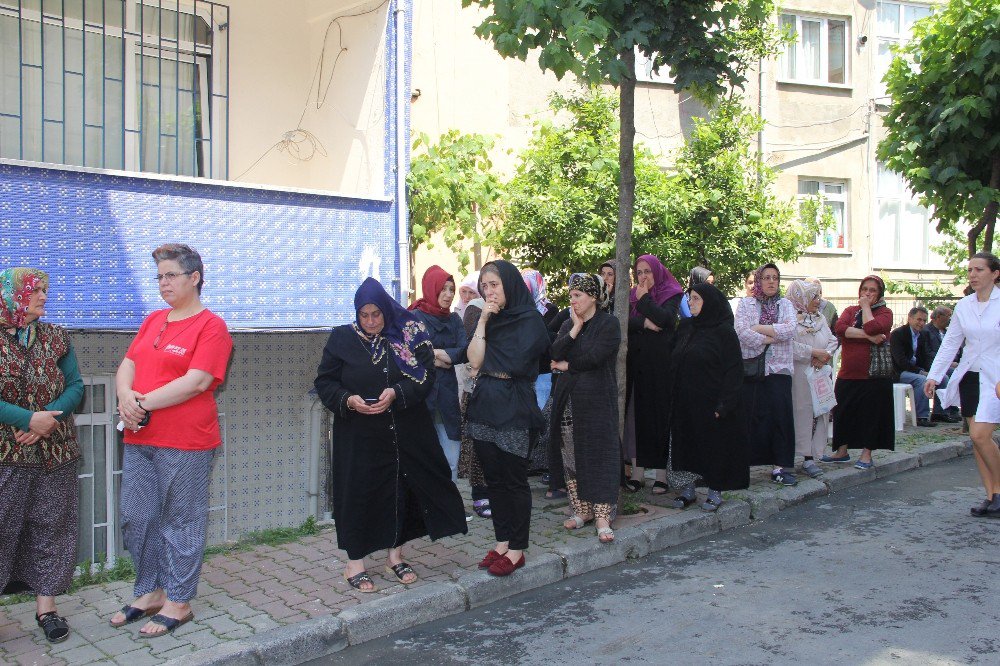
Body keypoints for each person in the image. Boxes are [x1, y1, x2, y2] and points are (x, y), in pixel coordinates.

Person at [314, 277, 467, 592]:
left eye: (376, 314)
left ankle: (395, 556)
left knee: (400, 490)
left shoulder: (407, 335)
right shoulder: (342, 338)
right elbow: (325, 382)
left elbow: (425, 377)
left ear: (386, 311)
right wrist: (348, 400)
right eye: (364, 315)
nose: (370, 321)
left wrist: (397, 392)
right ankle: (354, 562)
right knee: (358, 493)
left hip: (403, 432)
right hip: (359, 435)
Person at [111, 243, 233, 637]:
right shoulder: (153, 320)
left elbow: (196, 381)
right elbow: (127, 364)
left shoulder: (211, 326)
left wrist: (140, 403)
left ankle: (179, 601)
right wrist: (125, 397)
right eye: (159, 276)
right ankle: (149, 591)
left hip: (185, 441)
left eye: (170, 275)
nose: (163, 283)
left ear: (194, 277)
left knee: (181, 520)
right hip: (139, 437)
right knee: (138, 516)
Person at [0, 268, 83, 644]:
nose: (43, 297)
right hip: (6, 456)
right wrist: (26, 419)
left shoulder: (55, 336)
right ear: (13, 294)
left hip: (56, 452)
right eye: (35, 291)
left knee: (51, 528)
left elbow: (75, 386)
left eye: (46, 291)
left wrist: (48, 419)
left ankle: (46, 610)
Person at [465, 260, 549, 576]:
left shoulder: (531, 321)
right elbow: (473, 357)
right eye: (484, 286)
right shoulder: (490, 319)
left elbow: (515, 362)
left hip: (514, 405)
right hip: (485, 403)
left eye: (494, 285)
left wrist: (484, 361)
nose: (488, 291)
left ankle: (516, 549)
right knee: (494, 481)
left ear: (510, 284)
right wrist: (484, 321)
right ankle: (502, 541)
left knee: (514, 481)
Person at [925, 253, 1000, 517]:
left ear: (995, 273)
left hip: (995, 378)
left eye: (979, 269)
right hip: (970, 376)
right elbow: (950, 343)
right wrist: (934, 375)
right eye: (970, 270)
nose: (973, 274)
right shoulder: (964, 305)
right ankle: (991, 496)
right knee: (977, 439)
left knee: (980, 434)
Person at [550, 274, 622, 542]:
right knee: (571, 456)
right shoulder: (570, 323)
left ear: (593, 297)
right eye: (571, 296)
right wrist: (575, 329)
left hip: (597, 401)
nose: (573, 301)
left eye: (578, 295)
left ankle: (603, 517)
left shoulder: (609, 324)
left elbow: (595, 357)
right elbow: (555, 352)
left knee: (600, 456)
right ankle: (582, 511)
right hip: (569, 401)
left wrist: (569, 365)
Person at [668, 283, 749, 512]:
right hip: (685, 401)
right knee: (686, 446)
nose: (690, 303)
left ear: (709, 302)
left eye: (695, 299)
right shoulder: (685, 327)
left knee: (713, 447)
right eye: (689, 298)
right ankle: (688, 490)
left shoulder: (723, 332)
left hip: (711, 403)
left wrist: (724, 404)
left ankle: (715, 490)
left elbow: (734, 370)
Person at [624, 254, 683, 495]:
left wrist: (645, 299)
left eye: (647, 271)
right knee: (636, 417)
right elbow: (623, 322)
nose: (643, 277)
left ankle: (661, 475)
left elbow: (665, 319)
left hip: (661, 365)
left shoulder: (671, 292)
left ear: (657, 272)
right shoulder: (631, 295)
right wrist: (644, 324)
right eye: (639, 272)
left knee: (660, 417)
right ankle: (638, 473)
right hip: (636, 363)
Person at [735, 263, 798, 485]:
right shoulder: (746, 304)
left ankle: (780, 467)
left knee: (780, 417)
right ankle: (746, 466)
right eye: (767, 277)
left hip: (779, 369)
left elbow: (791, 329)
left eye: (775, 278)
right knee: (751, 417)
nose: (771, 281)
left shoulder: (786, 304)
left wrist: (760, 329)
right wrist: (771, 336)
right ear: (759, 281)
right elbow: (741, 331)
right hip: (752, 368)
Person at [825, 275, 895, 469]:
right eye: (865, 289)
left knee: (870, 415)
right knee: (844, 412)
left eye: (872, 290)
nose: (867, 293)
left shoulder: (885, 312)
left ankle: (866, 454)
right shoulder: (850, 310)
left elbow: (873, 326)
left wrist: (866, 308)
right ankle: (841, 451)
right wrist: (869, 338)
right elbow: (840, 329)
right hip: (848, 373)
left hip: (873, 375)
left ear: (879, 293)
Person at [409, 265, 467, 481]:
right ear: (431, 288)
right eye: (443, 289)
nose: (449, 295)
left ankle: (449, 509)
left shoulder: (454, 320)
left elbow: (465, 351)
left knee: (451, 458)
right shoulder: (414, 316)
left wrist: (438, 353)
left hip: (447, 398)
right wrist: (435, 360)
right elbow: (407, 354)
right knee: (423, 458)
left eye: (452, 289)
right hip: (422, 396)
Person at [786, 280, 838, 479]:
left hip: (818, 374)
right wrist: (812, 353)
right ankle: (794, 455)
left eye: (818, 296)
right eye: (814, 296)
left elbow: (833, 340)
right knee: (800, 413)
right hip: (798, 375)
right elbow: (789, 346)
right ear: (802, 298)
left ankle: (811, 457)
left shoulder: (820, 319)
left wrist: (824, 355)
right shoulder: (791, 319)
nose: (818, 301)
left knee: (819, 413)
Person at [457, 296, 491, 518]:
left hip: (499, 391)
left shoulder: (508, 307)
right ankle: (479, 495)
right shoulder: (475, 308)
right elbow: (470, 345)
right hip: (476, 391)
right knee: (477, 447)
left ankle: (494, 494)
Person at [889, 307, 937, 427]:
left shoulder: (922, 335)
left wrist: (932, 371)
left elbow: (924, 357)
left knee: (941, 377)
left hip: (914, 370)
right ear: (910, 318)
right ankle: (922, 417)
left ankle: (941, 413)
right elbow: (900, 361)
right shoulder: (898, 334)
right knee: (922, 380)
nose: (921, 323)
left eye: (924, 321)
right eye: (919, 319)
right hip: (898, 372)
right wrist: (921, 372)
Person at [522, 268, 559, 410]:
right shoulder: (519, 310)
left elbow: (545, 339)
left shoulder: (549, 309)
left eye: (528, 286)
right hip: (525, 372)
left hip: (542, 371)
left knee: (542, 412)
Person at [918, 306, 961, 422]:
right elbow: (927, 353)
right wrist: (947, 363)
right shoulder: (926, 331)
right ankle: (940, 411)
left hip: (948, 363)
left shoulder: (946, 332)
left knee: (959, 373)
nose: (950, 319)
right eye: (948, 316)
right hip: (932, 364)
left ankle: (952, 407)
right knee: (948, 375)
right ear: (938, 317)